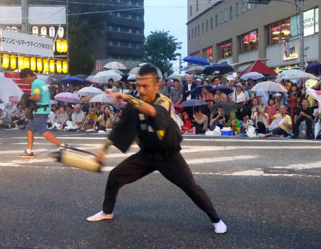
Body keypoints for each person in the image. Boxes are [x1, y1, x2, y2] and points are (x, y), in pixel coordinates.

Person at [86, 64, 227, 234]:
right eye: (138, 86)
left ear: (157, 85)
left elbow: (153, 112)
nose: (141, 90)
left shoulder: (163, 101)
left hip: (169, 155)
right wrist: (104, 150)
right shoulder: (134, 103)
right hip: (146, 154)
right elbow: (121, 128)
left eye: (145, 86)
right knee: (115, 176)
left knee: (191, 188)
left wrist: (127, 97)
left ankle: (216, 219)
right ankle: (107, 212)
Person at [19, 68, 65, 157]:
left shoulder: (35, 83)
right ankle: (29, 151)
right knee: (30, 129)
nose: (24, 81)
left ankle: (61, 145)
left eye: (24, 79)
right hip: (42, 109)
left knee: (42, 131)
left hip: (40, 111)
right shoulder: (40, 82)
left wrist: (28, 98)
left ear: (28, 76)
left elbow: (37, 97)